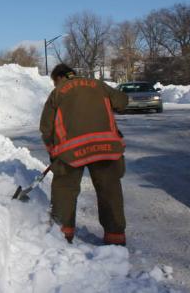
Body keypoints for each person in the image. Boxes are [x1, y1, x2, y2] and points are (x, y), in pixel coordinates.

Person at [40, 63, 129, 246]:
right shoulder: (98, 85)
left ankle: (63, 234)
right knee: (109, 190)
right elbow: (122, 102)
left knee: (64, 189)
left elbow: (46, 127)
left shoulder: (58, 92)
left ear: (58, 78)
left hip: (70, 152)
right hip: (106, 148)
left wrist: (53, 152)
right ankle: (115, 237)